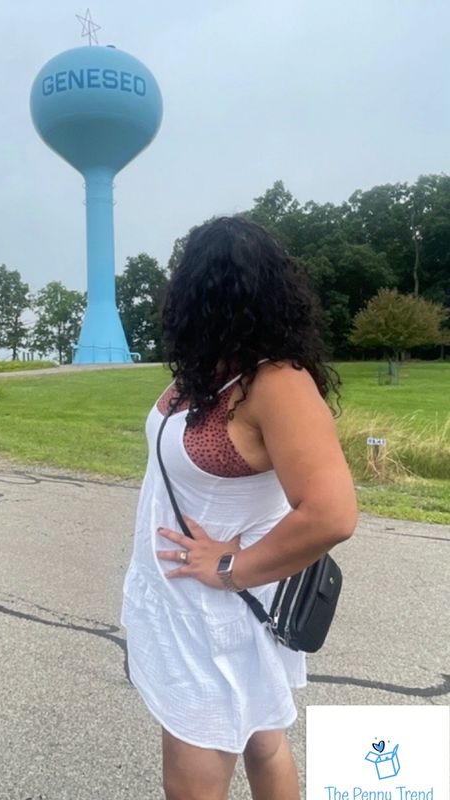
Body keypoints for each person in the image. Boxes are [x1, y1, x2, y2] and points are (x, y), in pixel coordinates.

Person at [120, 216, 358, 800]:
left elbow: (331, 514)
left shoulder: (276, 383)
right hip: (176, 604)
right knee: (261, 739)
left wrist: (232, 568)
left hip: (218, 619)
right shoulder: (206, 372)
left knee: (201, 775)